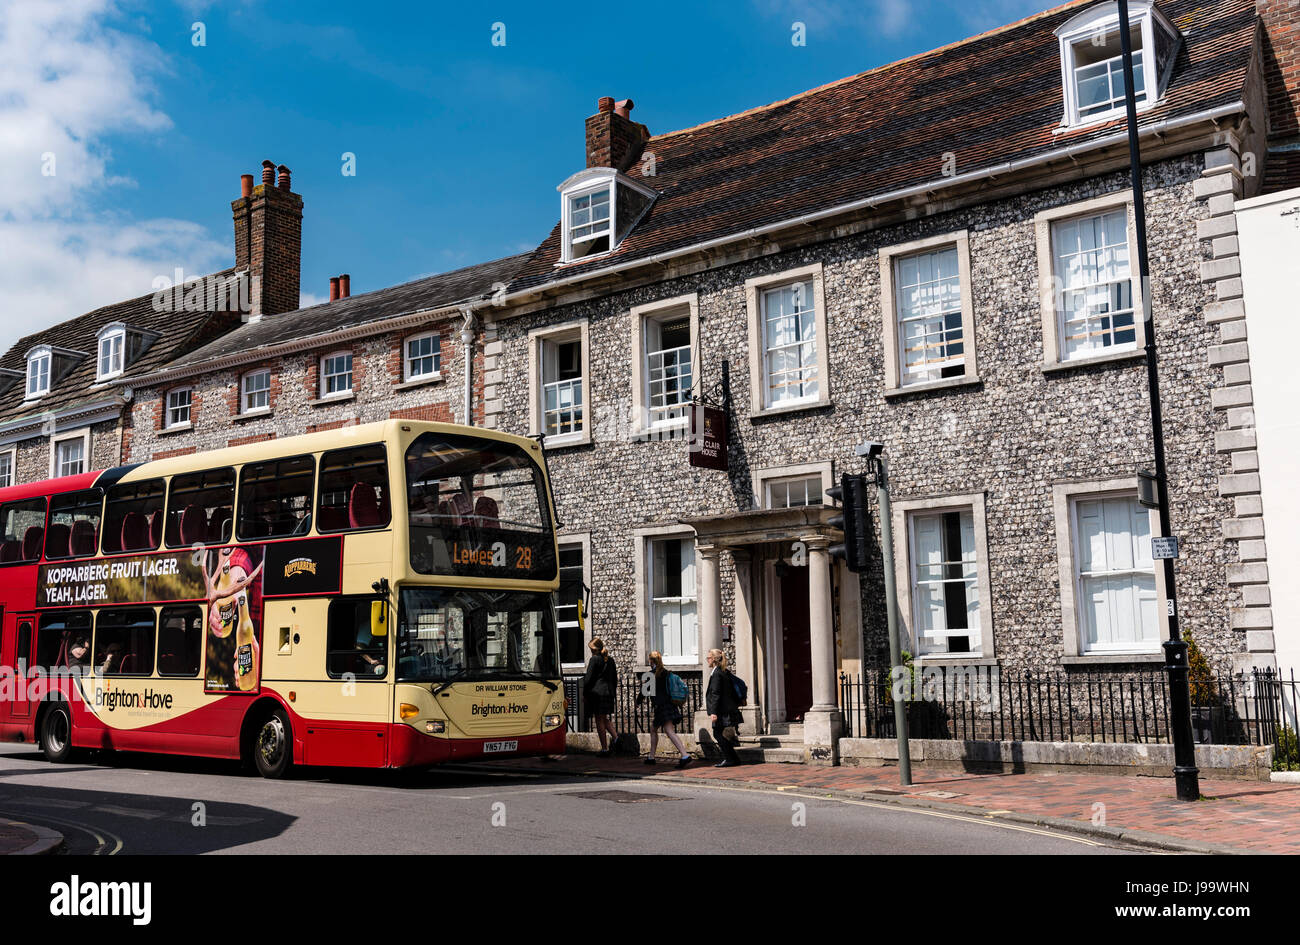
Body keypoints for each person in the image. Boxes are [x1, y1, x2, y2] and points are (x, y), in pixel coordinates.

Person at [640, 651, 690, 767]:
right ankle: (651, 757)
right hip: (668, 705)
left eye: (649, 660)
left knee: (668, 730)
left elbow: (644, 692)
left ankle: (685, 755)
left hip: (662, 707)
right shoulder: (666, 673)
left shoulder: (651, 674)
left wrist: (638, 701)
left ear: (651, 661)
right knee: (654, 728)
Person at [582, 638, 621, 755]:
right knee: (604, 718)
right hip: (608, 693)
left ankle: (604, 749)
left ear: (594, 649)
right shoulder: (611, 660)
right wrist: (612, 692)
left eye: (590, 648)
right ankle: (616, 738)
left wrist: (585, 693)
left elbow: (588, 679)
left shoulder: (594, 659)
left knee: (599, 720)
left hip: (597, 694)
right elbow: (615, 679)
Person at [706, 648, 743, 767]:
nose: (707, 660)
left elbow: (716, 694)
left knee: (717, 734)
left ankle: (730, 759)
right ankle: (734, 759)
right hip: (726, 709)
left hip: (721, 711)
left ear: (714, 659)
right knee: (719, 734)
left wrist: (713, 712)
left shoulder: (717, 674)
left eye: (709, 658)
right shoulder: (724, 671)